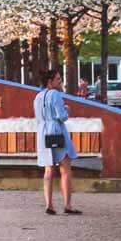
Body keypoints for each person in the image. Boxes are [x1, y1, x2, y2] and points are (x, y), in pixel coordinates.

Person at [34, 68, 80, 215]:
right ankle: (67, 205)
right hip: (56, 131)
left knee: (48, 169)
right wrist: (67, 110)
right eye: (58, 79)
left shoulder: (38, 96)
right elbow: (62, 116)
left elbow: (38, 115)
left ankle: (49, 204)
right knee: (65, 168)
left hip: (43, 133)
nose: (61, 81)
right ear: (50, 81)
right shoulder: (55, 94)